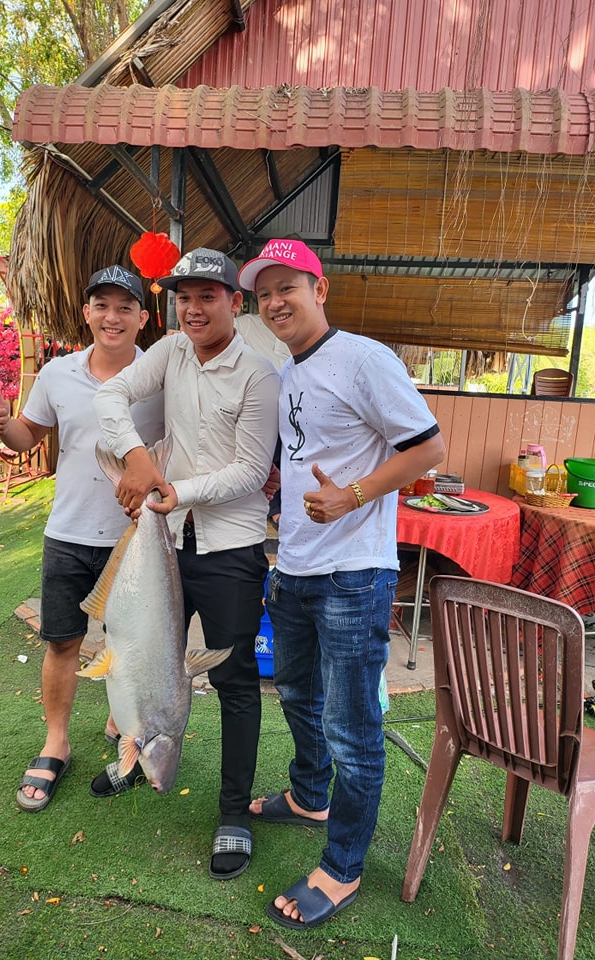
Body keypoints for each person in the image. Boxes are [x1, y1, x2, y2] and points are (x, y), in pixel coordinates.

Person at [237, 239, 446, 929]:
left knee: (352, 730)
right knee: (298, 693)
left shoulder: (363, 358)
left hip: (353, 575)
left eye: (287, 287)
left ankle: (344, 865)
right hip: (295, 568)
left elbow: (428, 447)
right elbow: (310, 455)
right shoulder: (290, 371)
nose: (275, 302)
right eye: (264, 293)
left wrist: (353, 495)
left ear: (319, 289)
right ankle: (309, 796)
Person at [92, 247, 280, 881]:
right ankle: (134, 754)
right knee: (138, 653)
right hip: (166, 541)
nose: (193, 309)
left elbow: (251, 470)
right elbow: (111, 396)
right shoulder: (171, 351)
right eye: (184, 297)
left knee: (233, 681)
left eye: (207, 296)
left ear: (235, 302)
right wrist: (137, 457)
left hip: (229, 550)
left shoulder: (259, 375)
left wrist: (177, 490)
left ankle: (233, 813)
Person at [0, 264, 163, 813]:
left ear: (143, 318)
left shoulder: (160, 377)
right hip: (68, 531)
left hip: (138, 540)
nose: (112, 317)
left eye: (125, 307)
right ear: (86, 313)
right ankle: (55, 742)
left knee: (130, 644)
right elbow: (27, 435)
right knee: (62, 641)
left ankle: (120, 718)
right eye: (101, 306)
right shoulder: (58, 373)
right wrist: (0, 425)